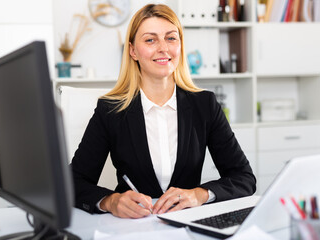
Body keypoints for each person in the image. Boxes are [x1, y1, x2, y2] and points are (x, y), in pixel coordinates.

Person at [70, 3, 256, 219]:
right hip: (131, 228)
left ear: (180, 45)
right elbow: (73, 182)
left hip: (186, 226)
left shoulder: (205, 105)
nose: (163, 48)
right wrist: (111, 201)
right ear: (133, 51)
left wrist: (200, 194)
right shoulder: (110, 110)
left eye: (171, 38)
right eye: (150, 40)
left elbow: (244, 178)